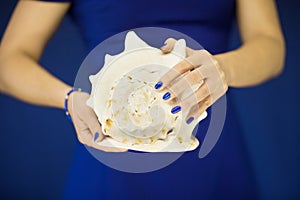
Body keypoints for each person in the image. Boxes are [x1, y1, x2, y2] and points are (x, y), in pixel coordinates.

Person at [0, 0, 285, 199]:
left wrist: (224, 69)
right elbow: (7, 62)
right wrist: (69, 99)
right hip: (113, 149)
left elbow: (270, 46)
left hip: (212, 149)